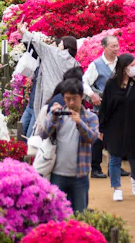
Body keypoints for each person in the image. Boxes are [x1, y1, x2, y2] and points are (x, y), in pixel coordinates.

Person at [39, 77, 99, 213]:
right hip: (57, 174)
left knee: (80, 214)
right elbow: (43, 134)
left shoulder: (91, 117)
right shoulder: (57, 114)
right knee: (55, 214)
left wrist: (80, 123)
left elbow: (93, 138)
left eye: (74, 98)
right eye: (67, 99)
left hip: (80, 175)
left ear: (82, 96)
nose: (71, 103)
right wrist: (53, 117)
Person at [99, 53, 135, 202]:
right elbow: (104, 108)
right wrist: (101, 128)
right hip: (114, 127)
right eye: (132, 65)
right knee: (114, 157)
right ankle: (117, 188)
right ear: (123, 68)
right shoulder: (111, 84)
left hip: (133, 126)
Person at [83, 34, 121, 178]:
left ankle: (114, 167)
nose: (116, 49)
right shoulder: (96, 65)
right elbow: (84, 82)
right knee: (99, 137)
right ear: (104, 47)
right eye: (113, 46)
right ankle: (95, 168)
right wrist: (92, 95)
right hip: (102, 108)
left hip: (118, 107)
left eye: (117, 46)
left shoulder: (121, 63)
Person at [25, 32, 80, 130]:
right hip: (64, 96)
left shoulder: (53, 53)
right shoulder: (75, 63)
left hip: (47, 94)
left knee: (43, 123)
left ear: (65, 45)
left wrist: (24, 31)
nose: (58, 44)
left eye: (61, 43)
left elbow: (38, 43)